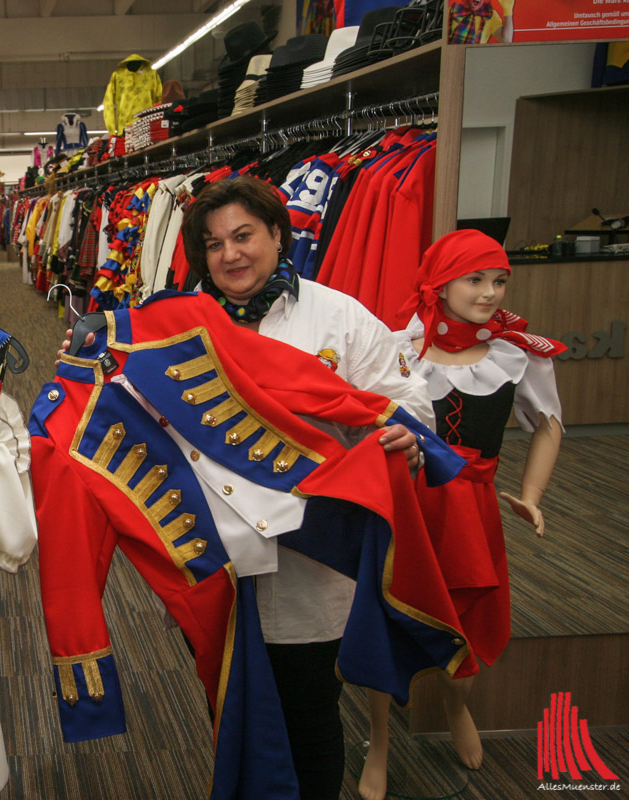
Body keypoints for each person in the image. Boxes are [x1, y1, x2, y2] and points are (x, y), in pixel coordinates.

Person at [62, 175, 430, 800]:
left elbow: (403, 401)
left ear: (278, 235)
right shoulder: (172, 327)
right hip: (214, 559)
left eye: (244, 236)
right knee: (232, 698)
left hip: (313, 558)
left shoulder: (338, 315)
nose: (230, 254)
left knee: (310, 707)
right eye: (212, 243)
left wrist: (406, 439)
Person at [359, 229, 563, 800]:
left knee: (468, 613)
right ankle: (378, 740)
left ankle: (456, 708)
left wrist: (532, 493)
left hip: (475, 506)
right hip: (405, 503)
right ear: (440, 282)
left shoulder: (516, 354)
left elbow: (548, 426)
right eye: (476, 279)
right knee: (389, 616)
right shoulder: (398, 347)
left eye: (499, 280)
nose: (491, 292)